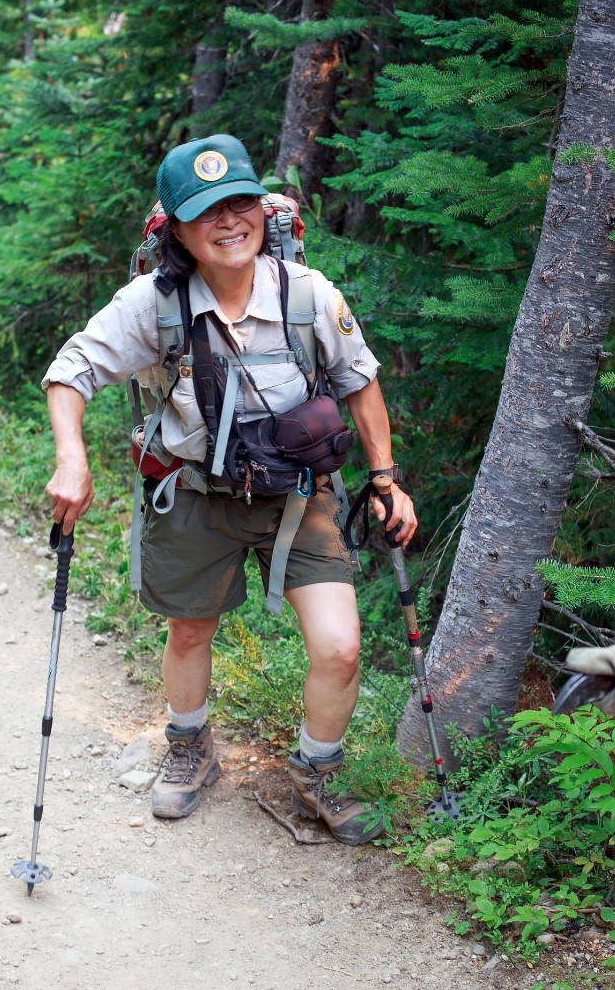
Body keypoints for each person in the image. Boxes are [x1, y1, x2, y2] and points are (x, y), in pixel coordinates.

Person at [42, 133, 417, 845]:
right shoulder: (153, 303)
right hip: (192, 493)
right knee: (189, 628)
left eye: (241, 202)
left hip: (301, 498)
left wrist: (384, 478)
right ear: (178, 229)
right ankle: (190, 747)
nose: (228, 220)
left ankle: (317, 771)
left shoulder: (308, 294)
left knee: (339, 646)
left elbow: (360, 382)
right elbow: (71, 372)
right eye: (206, 210)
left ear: (263, 211)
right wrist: (72, 458)